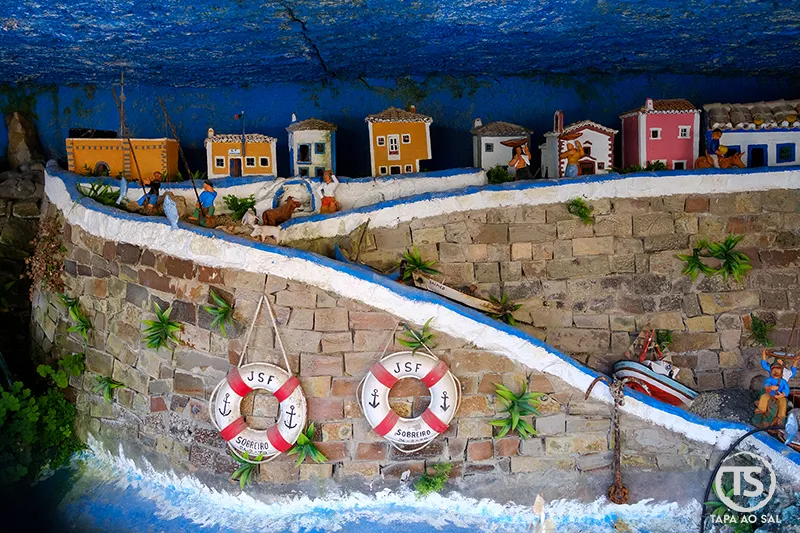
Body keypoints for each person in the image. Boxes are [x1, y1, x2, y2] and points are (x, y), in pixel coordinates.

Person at [754, 351, 799, 425]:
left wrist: (783, 394)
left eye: (778, 369)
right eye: (774, 370)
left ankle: (780, 417)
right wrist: (770, 387)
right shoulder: (770, 379)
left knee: (783, 402)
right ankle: (761, 411)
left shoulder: (783, 380)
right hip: (770, 394)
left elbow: (786, 389)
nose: (776, 371)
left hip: (779, 395)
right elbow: (766, 384)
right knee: (764, 397)